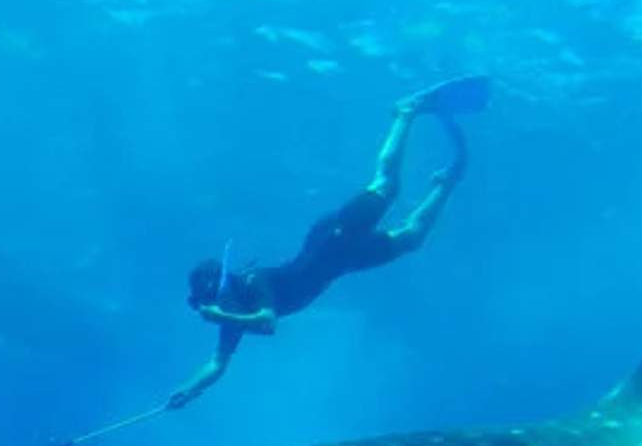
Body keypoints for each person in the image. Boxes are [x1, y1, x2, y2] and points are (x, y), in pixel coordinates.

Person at [167, 76, 487, 412]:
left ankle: (404, 113)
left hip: (334, 240)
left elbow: (267, 322)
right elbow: (218, 363)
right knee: (411, 239)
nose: (218, 306)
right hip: (341, 262)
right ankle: (447, 181)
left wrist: (221, 315)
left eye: (216, 298)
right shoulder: (233, 314)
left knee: (386, 185)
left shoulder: (252, 283)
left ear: (223, 286)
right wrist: (189, 390)